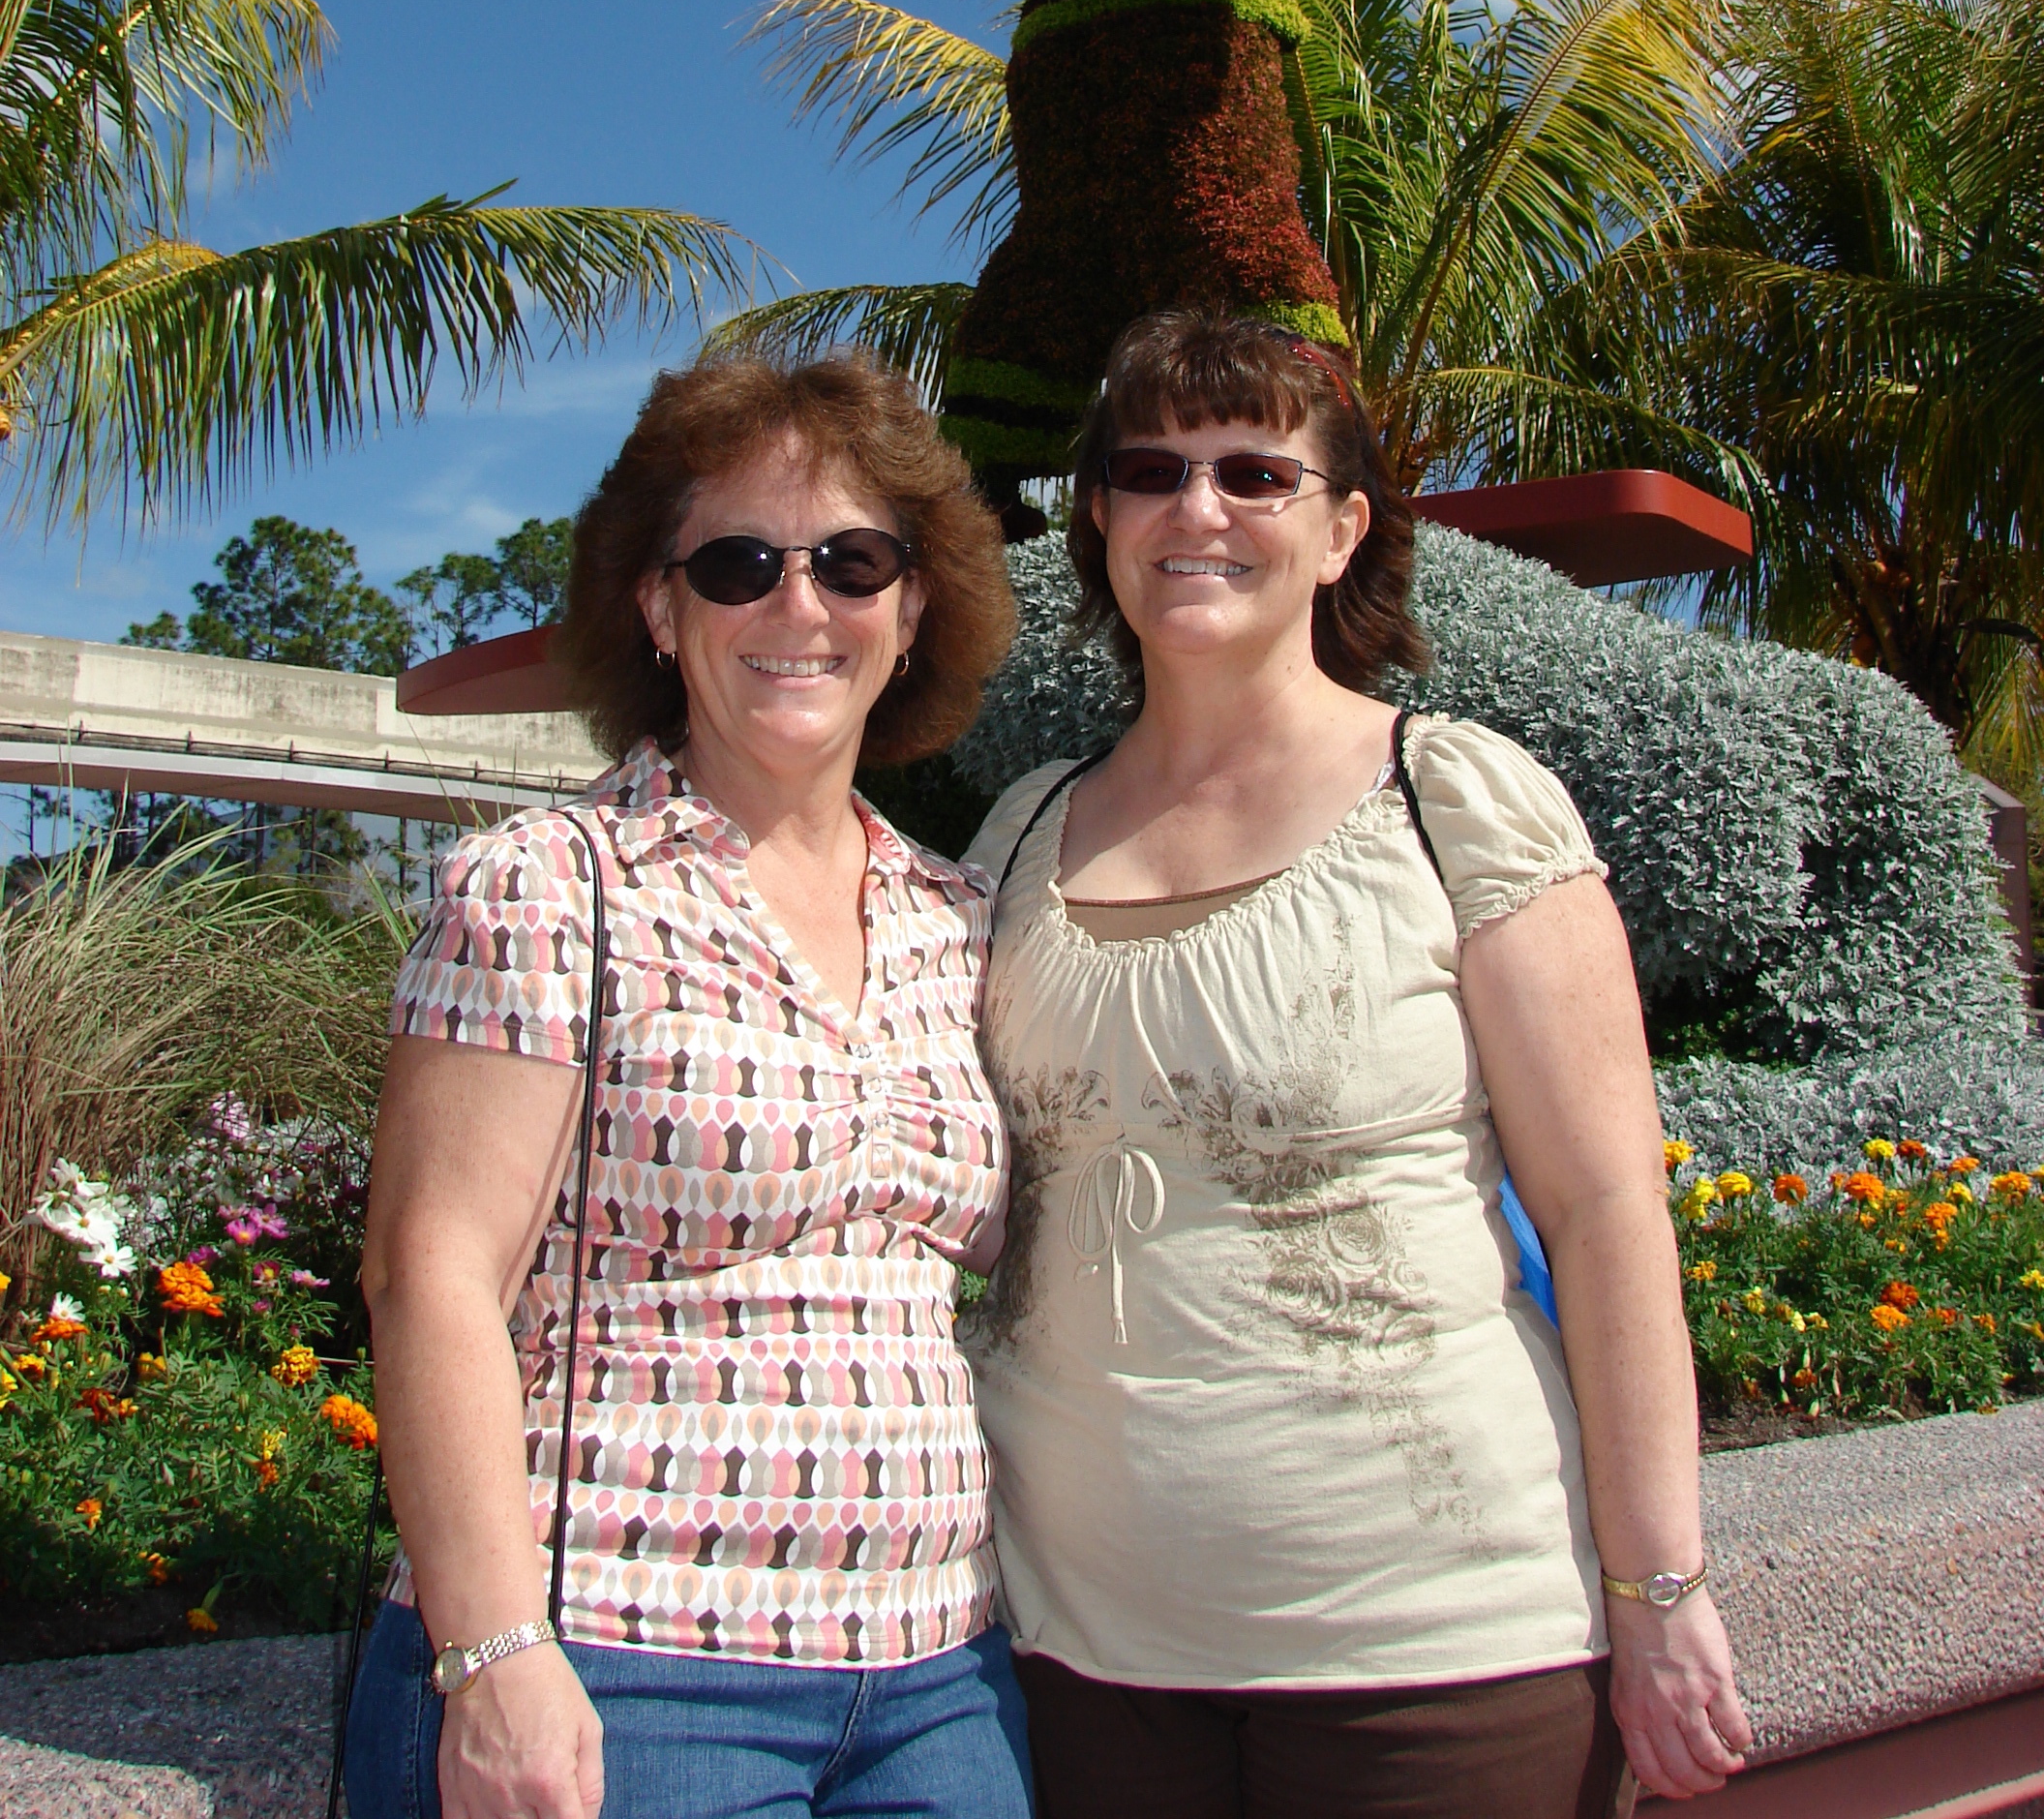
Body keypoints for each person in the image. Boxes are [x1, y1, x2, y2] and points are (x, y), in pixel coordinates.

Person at [962, 311, 1752, 1819]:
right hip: (1076, 1654)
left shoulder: (1454, 801)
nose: (1197, 508)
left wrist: (1660, 1586)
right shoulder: (1020, 831)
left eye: (1255, 474)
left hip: (1441, 1649)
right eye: (1150, 472)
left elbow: (1603, 1211)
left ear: (1341, 532)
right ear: (1101, 523)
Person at [348, 354, 1033, 1819]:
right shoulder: (548, 888)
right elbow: (430, 1274)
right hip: (617, 1657)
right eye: (738, 565)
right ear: (660, 612)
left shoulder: (961, 917)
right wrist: (495, 1656)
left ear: (915, 607)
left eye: (853, 563)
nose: (800, 605)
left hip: (940, 1672)